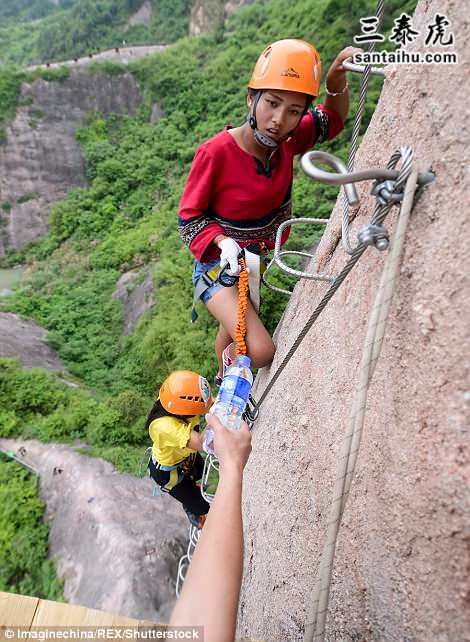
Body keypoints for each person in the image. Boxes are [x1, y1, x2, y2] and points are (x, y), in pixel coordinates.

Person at [178, 39, 361, 383]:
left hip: (254, 261)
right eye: (272, 104)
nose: (278, 120)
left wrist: (336, 81)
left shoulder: (288, 142)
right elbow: (189, 217)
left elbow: (332, 120)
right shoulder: (216, 153)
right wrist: (222, 243)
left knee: (232, 328)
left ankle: (224, 381)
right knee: (260, 351)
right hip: (217, 268)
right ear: (252, 98)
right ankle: (233, 380)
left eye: (294, 110)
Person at [169, 412, 252, 642]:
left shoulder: (174, 419)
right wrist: (232, 464)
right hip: (175, 475)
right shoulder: (165, 426)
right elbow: (199, 624)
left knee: (195, 491)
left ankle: (200, 512)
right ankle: (199, 516)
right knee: (197, 503)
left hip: (181, 467)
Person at [146, 370, 213, 529]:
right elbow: (203, 442)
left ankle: (193, 489)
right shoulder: (164, 426)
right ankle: (192, 510)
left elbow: (208, 403)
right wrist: (217, 413)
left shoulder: (172, 399)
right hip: (169, 472)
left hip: (185, 455)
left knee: (201, 471)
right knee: (202, 505)